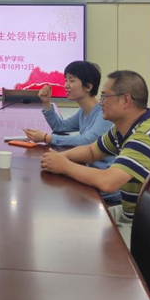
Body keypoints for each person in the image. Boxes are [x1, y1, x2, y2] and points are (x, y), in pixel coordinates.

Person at [40, 70, 150, 246]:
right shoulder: (122, 128)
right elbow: (92, 151)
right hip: (138, 215)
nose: (100, 102)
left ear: (125, 100)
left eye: (104, 97)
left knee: (88, 244)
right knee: (76, 224)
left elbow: (108, 182)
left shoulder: (144, 135)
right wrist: (58, 158)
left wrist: (64, 166)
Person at [24, 61, 119, 203]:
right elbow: (60, 127)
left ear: (88, 87)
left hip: (102, 184)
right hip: (87, 174)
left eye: (72, 80)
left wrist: (47, 138)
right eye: (66, 80)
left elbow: (86, 141)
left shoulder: (103, 114)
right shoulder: (83, 112)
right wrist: (46, 102)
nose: (66, 85)